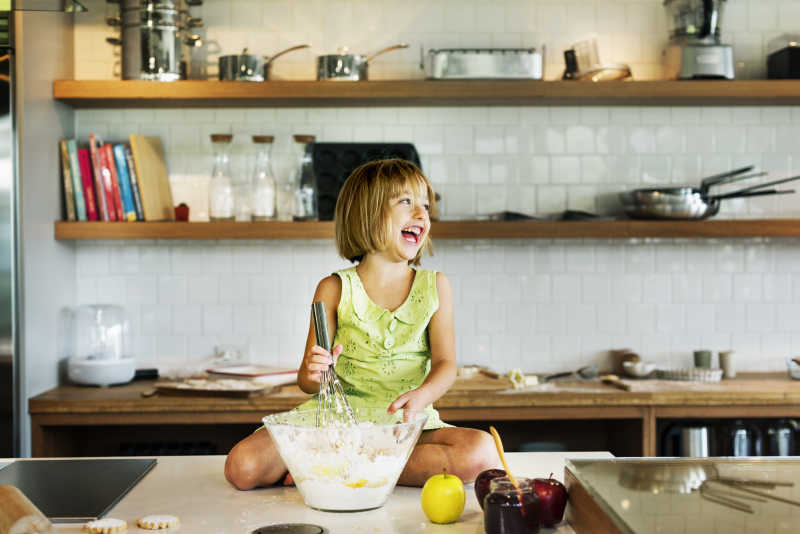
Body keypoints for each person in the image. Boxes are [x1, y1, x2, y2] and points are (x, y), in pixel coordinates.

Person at [224, 158, 498, 490]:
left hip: (402, 423)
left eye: (425, 204)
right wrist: (314, 372)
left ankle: (329, 467)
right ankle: (357, 464)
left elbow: (446, 364)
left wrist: (423, 395)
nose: (422, 214)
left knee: (482, 453)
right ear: (368, 214)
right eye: (406, 202)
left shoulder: (435, 286)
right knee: (243, 467)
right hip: (335, 423)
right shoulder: (333, 289)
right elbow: (309, 383)